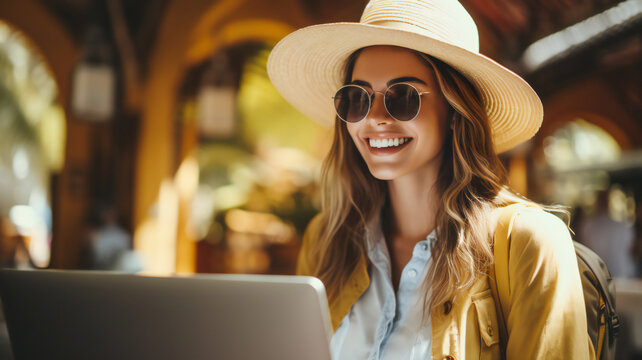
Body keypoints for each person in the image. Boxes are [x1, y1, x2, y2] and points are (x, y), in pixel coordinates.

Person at [267, 0, 594, 359]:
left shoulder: (529, 243)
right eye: (357, 98)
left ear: (455, 110)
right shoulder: (326, 241)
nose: (374, 118)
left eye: (403, 96)